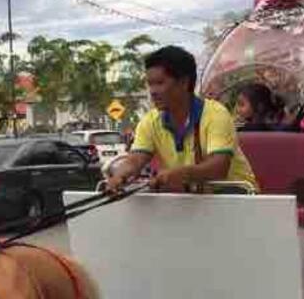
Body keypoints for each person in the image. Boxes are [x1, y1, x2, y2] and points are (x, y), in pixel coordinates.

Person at [106, 46, 258, 193]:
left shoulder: (216, 114)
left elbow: (218, 168)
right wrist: (120, 175)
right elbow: (135, 160)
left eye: (159, 83)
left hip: (237, 199)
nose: (152, 92)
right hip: (191, 203)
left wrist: (181, 174)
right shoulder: (149, 121)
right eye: (150, 84)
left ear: (184, 83)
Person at [235, 83, 300, 131]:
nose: (237, 109)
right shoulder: (275, 123)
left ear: (259, 107)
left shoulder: (251, 128)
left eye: (241, 104)